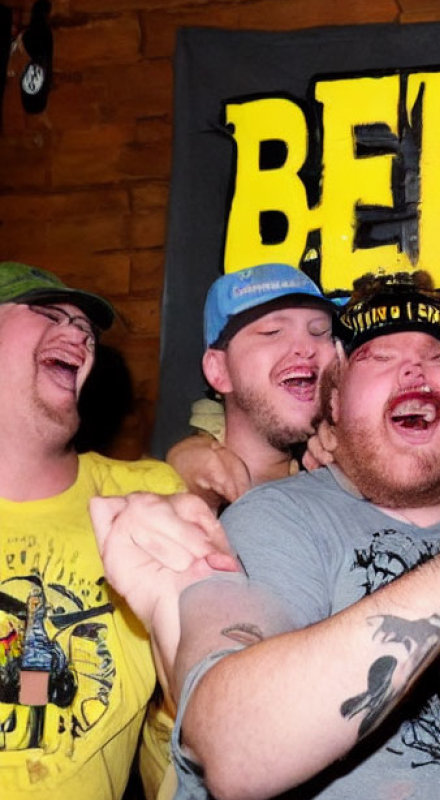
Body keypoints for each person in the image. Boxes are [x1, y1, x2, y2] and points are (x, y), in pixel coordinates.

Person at [92, 271, 440, 800]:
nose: (413, 369)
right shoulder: (277, 519)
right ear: (333, 404)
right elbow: (232, 746)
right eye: (379, 356)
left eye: (437, 356)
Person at [0, 261, 227, 800]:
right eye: (50, 314)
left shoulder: (146, 499)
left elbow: (182, 743)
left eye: (86, 330)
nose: (79, 334)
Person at [166, 263, 339, 513]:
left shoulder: (343, 480)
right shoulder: (167, 500)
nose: (307, 347)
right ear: (219, 370)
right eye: (272, 332)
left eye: (320, 332)